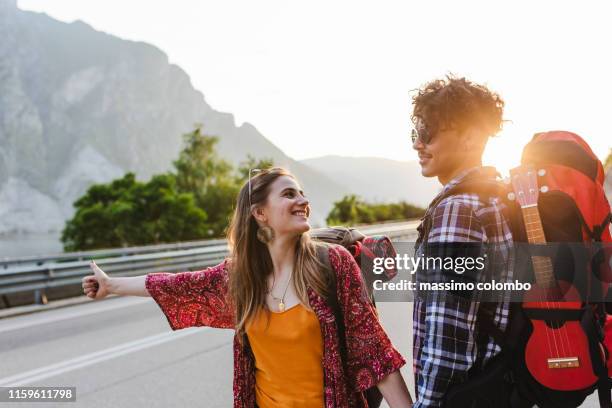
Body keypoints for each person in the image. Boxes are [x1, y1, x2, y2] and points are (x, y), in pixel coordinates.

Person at [82, 167, 413, 408]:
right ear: (260, 214)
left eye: (301, 193)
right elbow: (176, 286)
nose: (303, 200)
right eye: (288, 194)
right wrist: (111, 285)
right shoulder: (241, 278)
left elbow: (373, 351)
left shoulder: (333, 264)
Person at [410, 76, 514, 407]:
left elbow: (447, 344)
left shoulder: (457, 211)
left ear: (470, 138)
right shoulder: (493, 198)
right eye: (416, 133)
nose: (417, 144)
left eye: (428, 134)